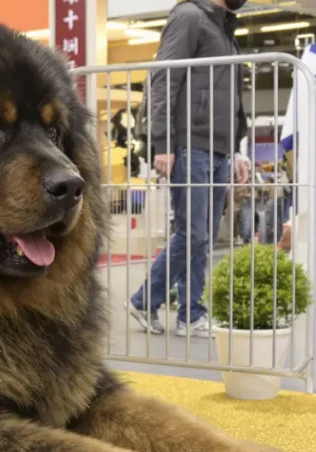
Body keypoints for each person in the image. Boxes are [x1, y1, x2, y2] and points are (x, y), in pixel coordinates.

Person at [127, 0, 251, 339]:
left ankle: (191, 314)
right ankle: (144, 300)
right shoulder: (190, 17)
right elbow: (164, 78)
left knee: (204, 238)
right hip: (190, 145)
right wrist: (163, 142)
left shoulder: (224, 26)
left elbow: (231, 95)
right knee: (193, 233)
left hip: (218, 148)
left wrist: (238, 149)